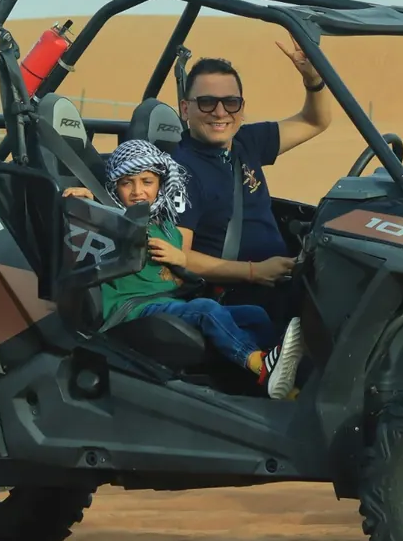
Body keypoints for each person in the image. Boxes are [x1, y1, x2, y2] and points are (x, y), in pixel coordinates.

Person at [64, 139, 298, 396]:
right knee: (206, 310)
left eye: (147, 182)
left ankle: (270, 379)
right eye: (126, 183)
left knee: (255, 314)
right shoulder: (111, 221)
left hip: (170, 301)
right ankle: (258, 364)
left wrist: (179, 259)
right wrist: (85, 200)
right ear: (114, 188)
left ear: (160, 185)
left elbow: (184, 266)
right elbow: (85, 223)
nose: (137, 191)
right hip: (134, 308)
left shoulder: (166, 227)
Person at [171, 38, 333, 269]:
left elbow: (315, 121)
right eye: (207, 102)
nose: (220, 112)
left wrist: (313, 79)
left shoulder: (247, 141)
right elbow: (178, 256)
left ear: (242, 109)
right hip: (234, 294)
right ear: (186, 109)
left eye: (231, 103)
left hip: (282, 278)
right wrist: (254, 273)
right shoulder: (180, 171)